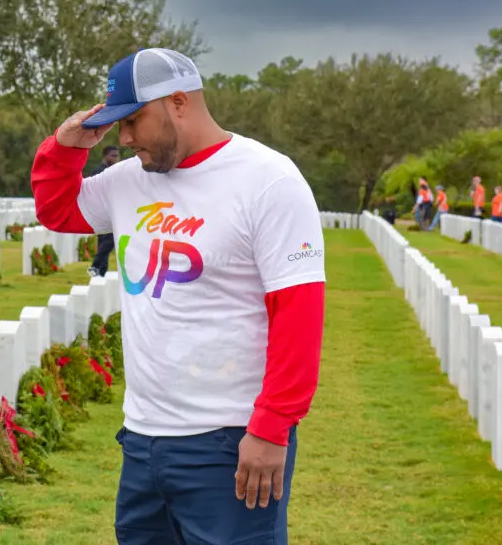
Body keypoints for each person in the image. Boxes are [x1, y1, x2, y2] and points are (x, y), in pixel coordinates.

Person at [30, 47, 325, 544]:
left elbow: (298, 314)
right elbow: (58, 210)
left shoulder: (268, 180)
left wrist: (272, 427)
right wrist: (65, 146)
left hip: (230, 439)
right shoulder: (129, 181)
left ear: (179, 102)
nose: (123, 139)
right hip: (144, 439)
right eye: (116, 125)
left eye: (132, 121)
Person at [87, 144, 120, 277]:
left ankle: (101, 272)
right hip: (102, 212)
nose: (116, 158)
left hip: (109, 211)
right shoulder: (99, 171)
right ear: (105, 156)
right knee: (108, 242)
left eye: (117, 156)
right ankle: (95, 267)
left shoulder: (113, 171)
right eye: (113, 155)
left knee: (105, 242)